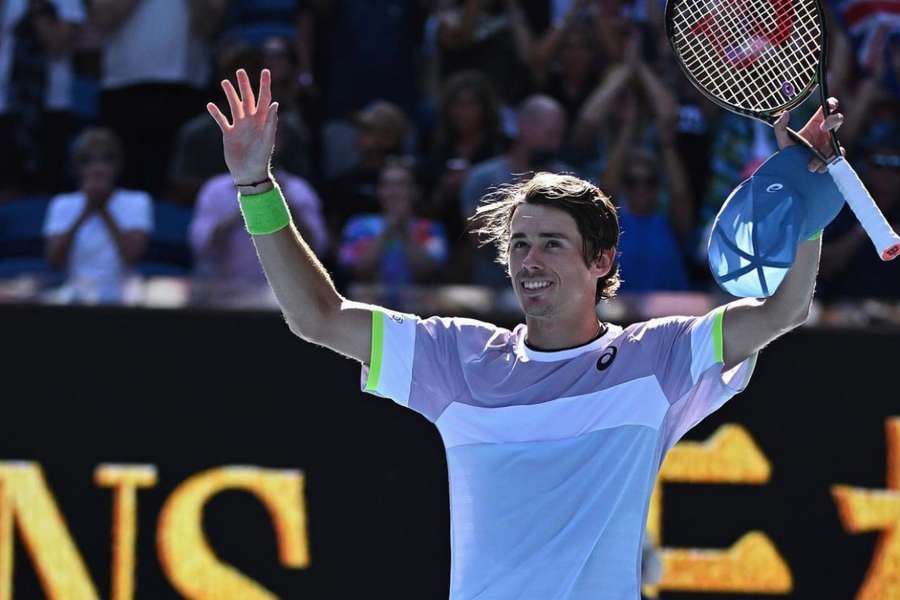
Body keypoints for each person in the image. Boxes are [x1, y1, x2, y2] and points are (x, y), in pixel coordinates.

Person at [206, 68, 842, 599]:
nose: (529, 261)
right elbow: (315, 317)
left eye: (551, 245)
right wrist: (255, 186)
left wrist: (810, 204)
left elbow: (782, 311)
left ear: (600, 262)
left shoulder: (660, 357)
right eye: (519, 244)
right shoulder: (454, 357)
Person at [460, 94, 569, 287]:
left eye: (559, 136)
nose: (556, 144)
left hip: (550, 291)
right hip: (494, 293)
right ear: (524, 127)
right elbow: (477, 239)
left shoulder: (568, 180)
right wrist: (521, 195)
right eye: (550, 134)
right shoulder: (483, 177)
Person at [43, 128, 152, 303]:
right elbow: (54, 260)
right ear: (76, 167)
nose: (97, 167)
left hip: (123, 296)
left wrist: (103, 209)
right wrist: (86, 209)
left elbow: (132, 256)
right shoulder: (62, 203)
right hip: (74, 295)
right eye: (87, 160)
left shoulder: (138, 201)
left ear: (118, 165)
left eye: (106, 159)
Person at [0, 0, 85, 198]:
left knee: (46, 187)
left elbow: (57, 44)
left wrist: (37, 8)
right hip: (7, 104)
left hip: (51, 105)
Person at [338, 157, 448, 286]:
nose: (394, 192)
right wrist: (387, 230)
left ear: (414, 191)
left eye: (401, 185)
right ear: (379, 191)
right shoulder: (359, 225)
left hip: (417, 304)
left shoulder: (430, 229)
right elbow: (359, 271)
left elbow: (427, 272)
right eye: (387, 185)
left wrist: (405, 232)